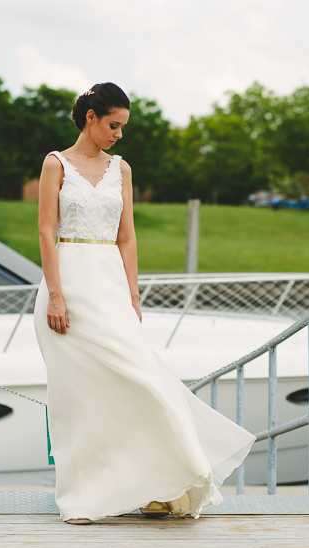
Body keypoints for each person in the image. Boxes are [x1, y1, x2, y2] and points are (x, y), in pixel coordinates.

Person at [33, 82, 255, 524]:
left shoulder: (122, 169)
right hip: (67, 288)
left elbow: (127, 236)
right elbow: (45, 232)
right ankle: (83, 498)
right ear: (91, 118)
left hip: (110, 288)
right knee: (78, 398)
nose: (119, 134)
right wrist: (56, 296)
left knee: (147, 383)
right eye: (114, 125)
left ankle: (165, 486)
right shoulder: (55, 164)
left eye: (123, 127)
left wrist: (132, 296)